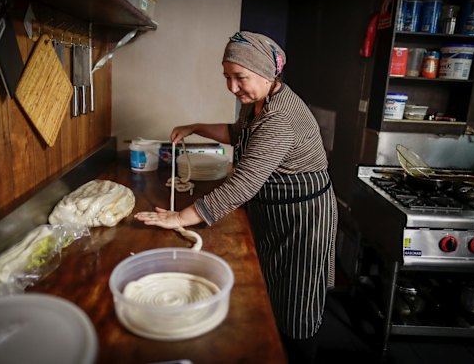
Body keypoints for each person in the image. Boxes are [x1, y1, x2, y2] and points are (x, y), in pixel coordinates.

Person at [134, 31, 338, 364]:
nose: (231, 87)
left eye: (239, 77)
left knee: (298, 301)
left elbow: (242, 185)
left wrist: (179, 217)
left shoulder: (280, 117)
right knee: (273, 289)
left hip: (303, 219)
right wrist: (196, 126)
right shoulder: (260, 102)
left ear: (268, 74)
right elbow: (237, 133)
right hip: (277, 211)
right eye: (227, 77)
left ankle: (297, 356)